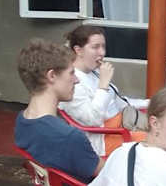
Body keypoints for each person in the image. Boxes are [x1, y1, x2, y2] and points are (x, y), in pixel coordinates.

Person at [14, 38, 104, 186]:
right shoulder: (67, 136)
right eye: (71, 73)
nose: (77, 80)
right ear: (52, 76)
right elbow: (105, 172)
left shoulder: (23, 120)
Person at [58, 25, 149, 157]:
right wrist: (103, 85)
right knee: (163, 142)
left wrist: (149, 103)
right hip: (106, 139)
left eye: (103, 47)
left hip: (123, 124)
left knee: (165, 127)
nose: (102, 53)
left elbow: (121, 102)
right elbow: (92, 120)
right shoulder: (72, 81)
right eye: (95, 47)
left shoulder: (94, 73)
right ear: (78, 50)